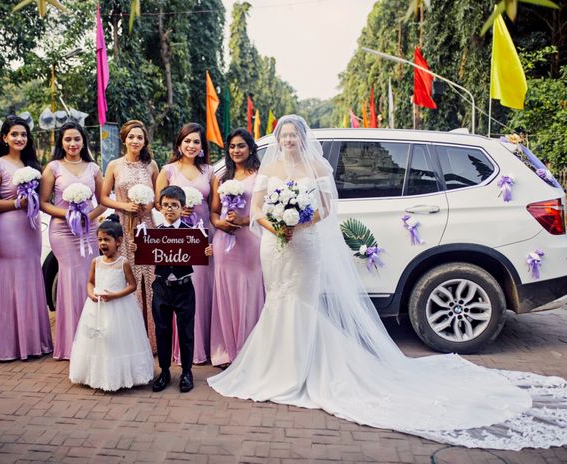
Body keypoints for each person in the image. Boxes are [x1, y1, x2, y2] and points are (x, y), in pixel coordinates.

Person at [208, 114, 567, 450]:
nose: (287, 140)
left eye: (292, 135)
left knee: (301, 301)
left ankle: (303, 369)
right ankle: (277, 368)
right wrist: (279, 224)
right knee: (279, 302)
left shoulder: (317, 165)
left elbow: (326, 208)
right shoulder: (269, 167)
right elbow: (256, 211)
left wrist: (298, 221)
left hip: (305, 241)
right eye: (283, 135)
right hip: (276, 245)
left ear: (302, 137)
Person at [0, 116, 53, 361]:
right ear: (4, 138)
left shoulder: (32, 164)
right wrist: (16, 202)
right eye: (14, 134)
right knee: (13, 282)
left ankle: (35, 342)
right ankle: (13, 345)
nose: (19, 138)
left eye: (23, 134)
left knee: (32, 280)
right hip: (8, 229)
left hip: (31, 228)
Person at [40, 122, 106, 360]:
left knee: (88, 279)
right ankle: (69, 344)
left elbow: (104, 201)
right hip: (62, 231)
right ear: (61, 142)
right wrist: (67, 215)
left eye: (77, 139)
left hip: (88, 232)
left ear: (83, 141)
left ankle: (91, 339)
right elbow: (43, 202)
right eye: (68, 140)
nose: (72, 144)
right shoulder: (53, 167)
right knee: (69, 280)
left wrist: (88, 216)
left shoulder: (93, 168)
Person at [155, 123, 217, 364]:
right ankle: (179, 350)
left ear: (202, 147)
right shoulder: (168, 171)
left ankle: (201, 348)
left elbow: (214, 206)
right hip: (174, 240)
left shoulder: (210, 172)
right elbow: (158, 206)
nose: (192, 146)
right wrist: (178, 211)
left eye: (196, 142)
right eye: (187, 141)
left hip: (200, 238)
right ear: (179, 144)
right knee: (179, 289)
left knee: (200, 290)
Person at [69, 214, 154, 391]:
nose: (102, 244)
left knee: (117, 338)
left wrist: (115, 295)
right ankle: (96, 375)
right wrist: (91, 293)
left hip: (120, 307)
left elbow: (132, 285)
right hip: (97, 306)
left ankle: (121, 375)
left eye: (106, 240)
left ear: (119, 241)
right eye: (100, 240)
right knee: (98, 339)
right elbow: (90, 282)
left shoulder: (123, 263)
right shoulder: (96, 262)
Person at [100, 120, 159, 353]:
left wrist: (147, 206)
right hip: (123, 227)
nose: (136, 141)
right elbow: (104, 197)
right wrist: (124, 205)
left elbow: (157, 196)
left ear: (144, 141)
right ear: (124, 139)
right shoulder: (114, 165)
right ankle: (129, 339)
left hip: (146, 225)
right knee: (127, 279)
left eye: (140, 137)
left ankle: (152, 339)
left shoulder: (151, 165)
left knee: (150, 280)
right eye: (132, 137)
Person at [209, 129, 264, 367]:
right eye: (232, 147)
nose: (236, 151)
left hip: (249, 241)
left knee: (249, 292)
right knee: (225, 293)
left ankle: (249, 349)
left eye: (241, 146)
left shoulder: (261, 176)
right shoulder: (221, 178)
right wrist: (220, 223)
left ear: (250, 148)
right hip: (224, 242)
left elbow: (265, 211)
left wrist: (243, 221)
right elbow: (213, 211)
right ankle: (225, 351)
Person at [151, 186, 213, 393]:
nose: (170, 209)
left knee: (186, 331)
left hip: (184, 288)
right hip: (161, 288)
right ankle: (165, 371)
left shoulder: (192, 233)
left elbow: (199, 254)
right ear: (160, 207)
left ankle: (187, 371)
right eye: (166, 205)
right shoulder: (153, 233)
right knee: (163, 331)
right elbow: (144, 254)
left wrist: (206, 250)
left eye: (174, 205)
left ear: (182, 208)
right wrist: (137, 248)